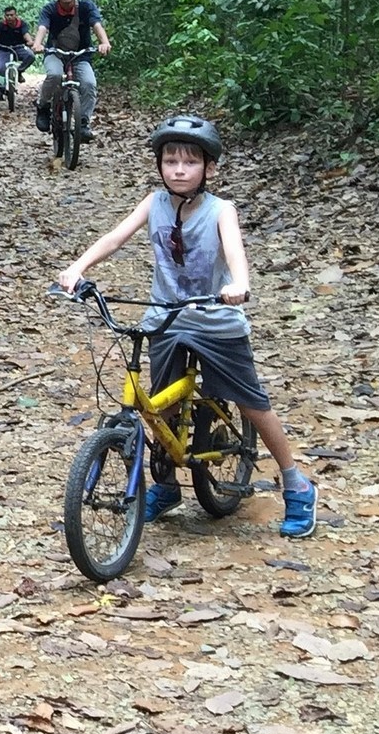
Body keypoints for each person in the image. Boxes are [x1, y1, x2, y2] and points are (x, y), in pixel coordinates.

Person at [53, 114, 317, 538]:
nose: (179, 170)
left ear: (209, 169)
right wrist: (77, 268)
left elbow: (235, 254)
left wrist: (239, 284)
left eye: (190, 162)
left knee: (251, 401)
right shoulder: (153, 203)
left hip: (216, 317)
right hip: (165, 317)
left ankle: (296, 483)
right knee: (161, 407)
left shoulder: (220, 210)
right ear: (160, 166)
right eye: (170, 161)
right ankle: (165, 485)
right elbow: (115, 238)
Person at [29, 0, 110, 141]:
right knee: (54, 75)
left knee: (89, 83)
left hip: (81, 55)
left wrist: (104, 42)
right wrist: (37, 44)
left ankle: (83, 123)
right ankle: (43, 106)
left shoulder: (86, 7)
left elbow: (96, 25)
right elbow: (43, 27)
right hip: (55, 53)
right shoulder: (50, 9)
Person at [0, 6, 33, 99]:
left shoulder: (21, 24)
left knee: (30, 56)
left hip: (18, 48)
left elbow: (26, 35)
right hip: (3, 49)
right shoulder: (0, 25)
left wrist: (30, 41)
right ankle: (0, 90)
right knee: (0, 68)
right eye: (7, 15)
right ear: (4, 16)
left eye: (11, 15)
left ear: (16, 15)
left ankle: (19, 71)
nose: (9, 17)